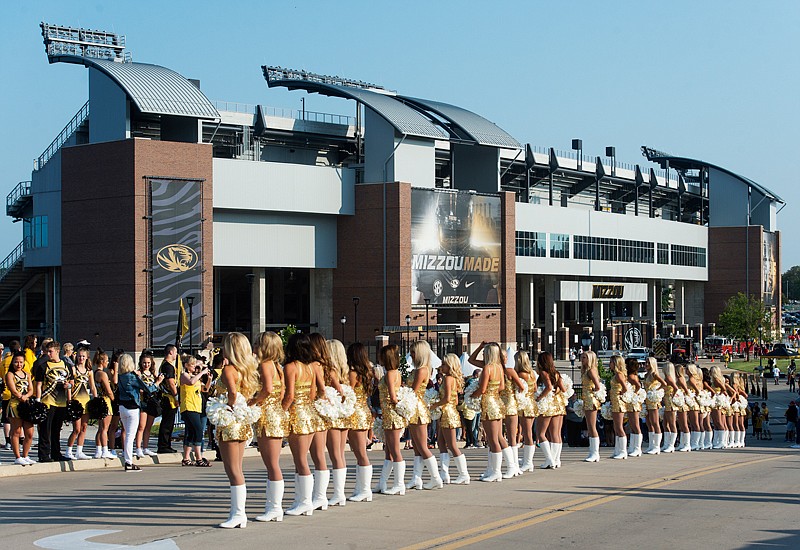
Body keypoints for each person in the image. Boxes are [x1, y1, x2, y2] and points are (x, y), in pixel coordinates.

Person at [217, 332, 259, 528]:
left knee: (232, 470)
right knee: (237, 468)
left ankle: (238, 514)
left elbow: (232, 393)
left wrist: (228, 406)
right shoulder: (247, 370)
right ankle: (238, 513)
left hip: (231, 423)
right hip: (242, 423)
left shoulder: (229, 370)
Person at [250, 331, 288, 522]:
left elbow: (268, 389)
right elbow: (281, 393)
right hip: (275, 414)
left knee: (272, 465)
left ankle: (274, 508)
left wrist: (254, 402)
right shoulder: (277, 367)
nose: (254, 346)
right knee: (272, 464)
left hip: (268, 416)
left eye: (257, 343)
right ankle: (273, 506)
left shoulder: (265, 365)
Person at [282, 333, 320, 517]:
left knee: (300, 461)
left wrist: (281, 412)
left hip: (297, 414)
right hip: (310, 413)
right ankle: (301, 500)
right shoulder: (310, 368)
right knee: (302, 460)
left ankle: (304, 501)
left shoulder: (290, 367)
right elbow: (313, 394)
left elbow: (289, 395)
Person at [406, 340, 443, 490]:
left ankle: (436, 478)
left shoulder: (422, 370)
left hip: (418, 408)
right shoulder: (418, 370)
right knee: (416, 446)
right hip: (414, 407)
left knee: (422, 446)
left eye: (413, 353)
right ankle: (416, 478)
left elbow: (413, 391)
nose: (411, 355)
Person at [118, 354, 163, 472]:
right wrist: (157, 383)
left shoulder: (120, 376)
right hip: (132, 408)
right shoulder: (132, 377)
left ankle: (128, 458)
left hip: (122, 406)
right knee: (130, 435)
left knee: (127, 433)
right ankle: (128, 462)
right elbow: (148, 389)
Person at [431, 353, 469, 485]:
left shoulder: (448, 379)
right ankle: (444, 473)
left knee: (452, 445)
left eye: (444, 364)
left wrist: (433, 405)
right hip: (447, 412)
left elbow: (447, 398)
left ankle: (464, 474)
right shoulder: (452, 379)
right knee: (441, 442)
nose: (442, 367)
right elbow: (455, 399)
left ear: (450, 366)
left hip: (447, 413)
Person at [470, 342, 506, 481]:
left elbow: (482, 389)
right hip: (497, 401)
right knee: (495, 438)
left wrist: (472, 395)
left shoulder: (487, 368)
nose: (483, 354)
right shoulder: (499, 368)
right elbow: (502, 386)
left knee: (492, 440)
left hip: (488, 402)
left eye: (485, 352)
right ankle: (491, 469)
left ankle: (496, 471)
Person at [346, 342, 376, 500]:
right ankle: (361, 488)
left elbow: (348, 393)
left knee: (360, 453)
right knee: (360, 452)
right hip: (364, 410)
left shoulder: (353, 373)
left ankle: (365, 490)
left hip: (356, 413)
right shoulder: (368, 372)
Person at [34, 340, 72, 462]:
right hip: (47, 401)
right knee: (45, 429)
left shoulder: (66, 366)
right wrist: (38, 401)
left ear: (57, 351)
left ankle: (56, 453)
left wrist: (68, 387)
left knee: (57, 429)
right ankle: (44, 455)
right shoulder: (43, 366)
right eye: (47, 351)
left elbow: (71, 382)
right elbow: (38, 385)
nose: (48, 354)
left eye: (51, 352)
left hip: (61, 402)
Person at [307, 333, 333, 511]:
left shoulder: (315, 365)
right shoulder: (329, 365)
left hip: (316, 409)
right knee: (319, 455)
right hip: (324, 411)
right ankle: (320, 496)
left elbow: (322, 389)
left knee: (316, 455)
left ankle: (320, 496)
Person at [180, 355, 211, 467]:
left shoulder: (195, 376)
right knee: (198, 430)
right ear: (186, 365)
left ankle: (186, 458)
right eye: (192, 365)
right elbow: (191, 382)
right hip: (188, 407)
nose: (194, 367)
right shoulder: (184, 375)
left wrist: (209, 379)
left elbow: (205, 389)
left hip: (196, 407)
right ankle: (198, 457)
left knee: (192, 433)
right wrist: (201, 373)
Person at [5, 351, 35, 464]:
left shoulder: (27, 374)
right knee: (16, 431)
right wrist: (20, 397)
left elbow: (31, 390)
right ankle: (17, 457)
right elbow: (13, 390)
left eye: (21, 362)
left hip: (26, 404)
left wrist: (26, 396)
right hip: (14, 404)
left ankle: (25, 455)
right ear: (12, 362)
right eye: (16, 362)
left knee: (30, 432)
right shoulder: (10, 374)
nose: (19, 364)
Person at [65, 346, 96, 460]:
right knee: (76, 429)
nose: (81, 358)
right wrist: (69, 401)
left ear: (87, 357)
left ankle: (79, 451)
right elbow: (69, 385)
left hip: (86, 401)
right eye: (79, 356)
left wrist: (96, 399)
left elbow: (92, 386)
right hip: (76, 401)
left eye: (83, 356)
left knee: (84, 427)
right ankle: (68, 450)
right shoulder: (73, 369)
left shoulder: (89, 371)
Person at [514, 350, 538, 470]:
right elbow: (535, 388)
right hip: (531, 402)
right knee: (528, 432)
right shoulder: (532, 373)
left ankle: (528, 462)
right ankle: (527, 460)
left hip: (525, 404)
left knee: (527, 433)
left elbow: (519, 388)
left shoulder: (521, 374)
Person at [579, 350, 603, 462]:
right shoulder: (585, 371)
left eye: (584, 357)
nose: (582, 359)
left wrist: (591, 391)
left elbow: (598, 386)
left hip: (591, 400)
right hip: (587, 399)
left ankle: (595, 453)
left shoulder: (591, 371)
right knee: (589, 426)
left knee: (592, 427)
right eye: (582, 357)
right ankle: (592, 451)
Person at [134, 351, 159, 457]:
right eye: (144, 363)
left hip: (151, 402)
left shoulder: (153, 374)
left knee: (149, 426)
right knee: (141, 426)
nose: (146, 365)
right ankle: (138, 447)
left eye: (148, 363)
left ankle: (145, 447)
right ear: (141, 363)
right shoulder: (139, 373)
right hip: (143, 402)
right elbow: (141, 389)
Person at [93, 350, 116, 459]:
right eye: (107, 360)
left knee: (101, 427)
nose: (108, 362)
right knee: (105, 428)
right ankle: (105, 450)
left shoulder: (95, 372)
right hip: (105, 400)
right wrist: (113, 398)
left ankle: (98, 449)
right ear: (102, 361)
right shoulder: (103, 374)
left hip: (99, 401)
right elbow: (108, 390)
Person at [157, 345, 180, 454]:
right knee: (167, 423)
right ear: (170, 352)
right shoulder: (168, 367)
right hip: (169, 398)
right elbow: (171, 383)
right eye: (175, 352)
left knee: (169, 423)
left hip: (167, 397)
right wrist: (176, 396)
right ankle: (163, 445)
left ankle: (166, 444)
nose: (176, 355)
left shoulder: (164, 365)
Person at [1, 340, 22, 451]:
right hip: (18, 394)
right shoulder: (23, 362)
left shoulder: (5, 361)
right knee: (20, 419)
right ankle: (21, 440)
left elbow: (1, 375)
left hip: (6, 393)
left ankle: (8, 441)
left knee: (6, 419)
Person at [641, 357, 665, 454]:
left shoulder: (654, 374)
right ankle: (651, 445)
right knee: (648, 423)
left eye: (648, 363)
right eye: (646, 362)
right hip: (647, 400)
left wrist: (656, 391)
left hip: (653, 401)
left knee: (655, 422)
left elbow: (664, 383)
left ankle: (657, 446)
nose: (646, 364)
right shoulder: (646, 375)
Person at [608, 355, 630, 459]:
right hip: (615, 401)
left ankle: (623, 451)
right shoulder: (616, 374)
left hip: (618, 401)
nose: (609, 364)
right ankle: (618, 449)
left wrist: (619, 393)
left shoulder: (619, 375)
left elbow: (625, 387)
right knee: (615, 426)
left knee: (619, 426)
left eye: (611, 362)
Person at [660, 363, 680, 453]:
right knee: (665, 423)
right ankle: (666, 443)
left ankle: (671, 445)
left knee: (672, 424)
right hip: (666, 402)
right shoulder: (667, 378)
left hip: (670, 402)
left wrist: (673, 396)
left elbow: (676, 388)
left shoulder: (669, 378)